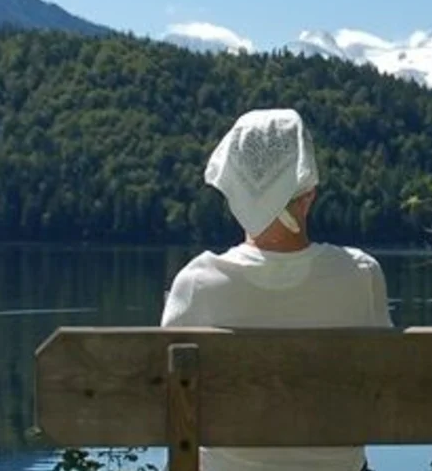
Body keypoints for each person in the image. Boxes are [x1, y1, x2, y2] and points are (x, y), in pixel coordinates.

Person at [160, 108, 393, 471]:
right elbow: (383, 390)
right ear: (309, 195)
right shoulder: (361, 274)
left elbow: (164, 402)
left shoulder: (197, 283)